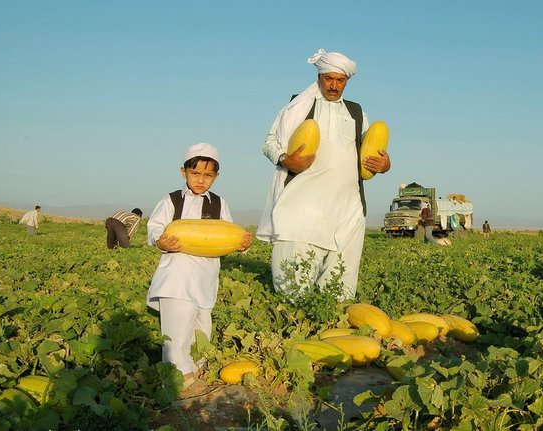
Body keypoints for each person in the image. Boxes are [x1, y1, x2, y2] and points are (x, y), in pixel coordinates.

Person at [256, 48, 391, 301]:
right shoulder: (298, 107)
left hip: (346, 206)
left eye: (340, 81)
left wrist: (384, 165)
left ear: (346, 82)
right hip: (302, 204)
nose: (334, 85)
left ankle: (331, 323)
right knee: (294, 275)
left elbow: (370, 151)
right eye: (328, 79)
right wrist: (285, 159)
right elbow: (269, 143)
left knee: (341, 277)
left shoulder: (356, 112)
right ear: (319, 78)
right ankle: (294, 327)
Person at [146, 143, 253, 395]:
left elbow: (230, 234)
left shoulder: (219, 203)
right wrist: (160, 240)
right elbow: (154, 227)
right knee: (177, 324)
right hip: (177, 275)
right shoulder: (171, 200)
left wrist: (243, 245)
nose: (201, 180)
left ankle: (196, 366)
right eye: (196, 174)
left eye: (208, 176)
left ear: (216, 176)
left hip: (205, 276)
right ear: (184, 172)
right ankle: (176, 374)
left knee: (201, 324)